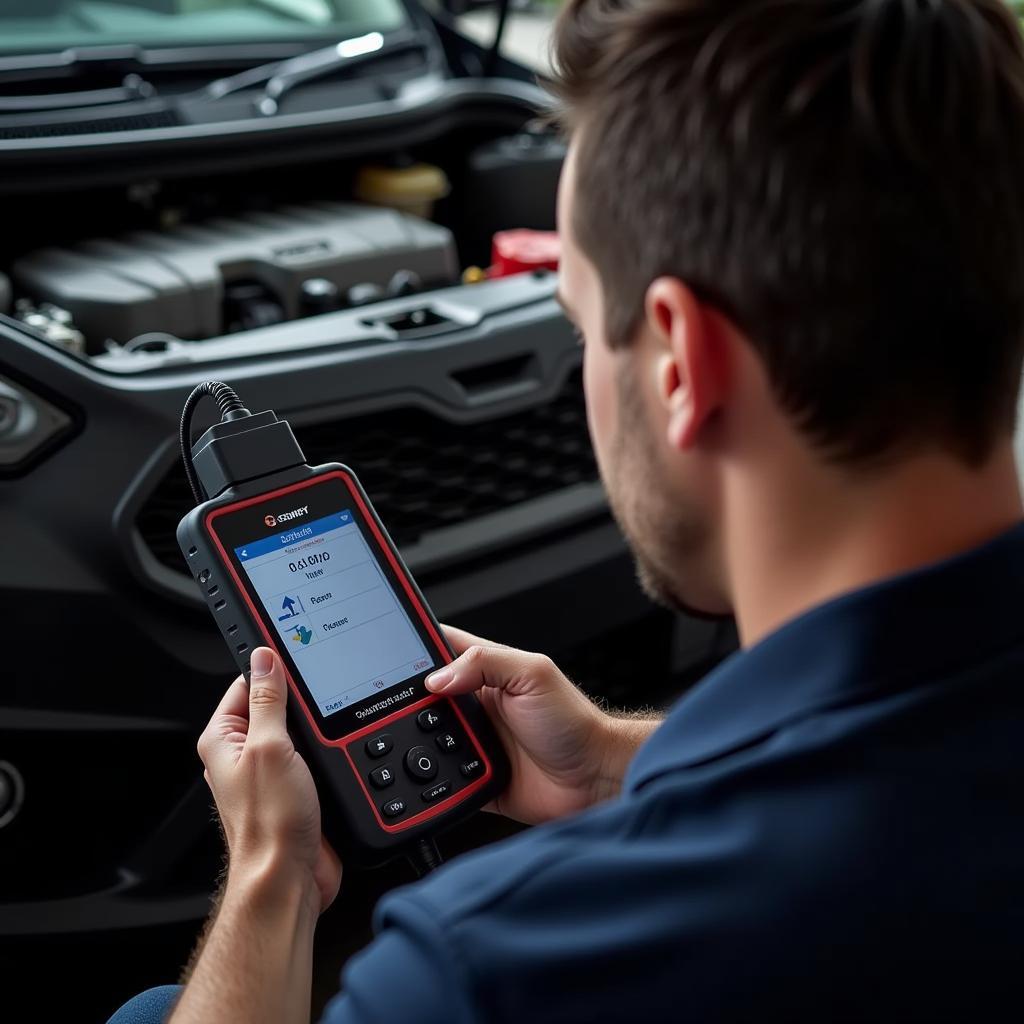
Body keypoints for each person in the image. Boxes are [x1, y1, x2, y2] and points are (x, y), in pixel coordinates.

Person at [110, 0, 1024, 1021]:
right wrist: (621, 766)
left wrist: (271, 881)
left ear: (680, 360)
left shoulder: (491, 968)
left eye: (582, 325)